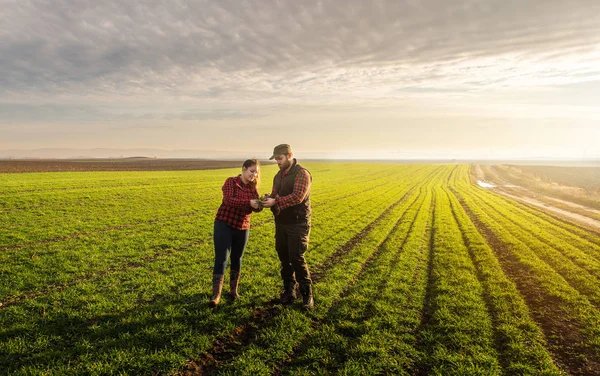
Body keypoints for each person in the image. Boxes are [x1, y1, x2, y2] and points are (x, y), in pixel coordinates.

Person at [261, 144, 314, 310]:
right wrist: (266, 199)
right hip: (281, 223)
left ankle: (307, 296)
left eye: (280, 158)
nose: (277, 161)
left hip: (298, 223)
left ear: (289, 155)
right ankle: (289, 291)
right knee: (284, 259)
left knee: (297, 259)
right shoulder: (278, 176)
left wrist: (275, 201)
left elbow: (297, 197)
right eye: (276, 158)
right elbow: (275, 194)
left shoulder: (302, 174)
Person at [210, 159, 262, 308]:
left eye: (256, 172)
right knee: (222, 259)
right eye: (252, 171)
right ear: (244, 169)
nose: (254, 175)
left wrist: (260, 204)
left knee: (237, 258)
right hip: (224, 223)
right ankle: (216, 295)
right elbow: (229, 200)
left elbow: (256, 208)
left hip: (243, 226)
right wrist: (248, 203)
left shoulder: (253, 188)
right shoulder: (231, 182)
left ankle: (233, 291)